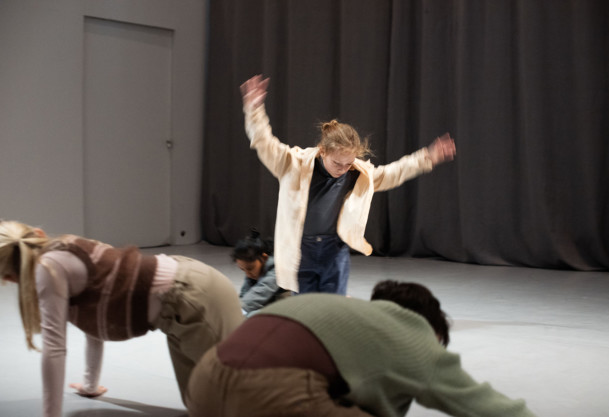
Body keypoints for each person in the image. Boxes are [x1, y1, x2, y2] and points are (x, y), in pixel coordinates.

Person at [185, 280, 538, 417]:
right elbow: (484, 405)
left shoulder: (336, 310)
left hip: (202, 384)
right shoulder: (412, 334)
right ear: (429, 329)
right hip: (268, 396)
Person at [0, 220, 244, 417]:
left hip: (193, 298)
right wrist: (90, 385)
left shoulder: (47, 270)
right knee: (203, 406)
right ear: (38, 233)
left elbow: (54, 348)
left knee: (243, 398)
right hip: (182, 303)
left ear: (10, 278)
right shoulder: (63, 246)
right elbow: (93, 317)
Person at [240, 75, 457, 295]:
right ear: (322, 151)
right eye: (337, 163)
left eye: (348, 163)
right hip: (301, 249)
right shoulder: (292, 164)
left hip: (334, 250)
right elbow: (264, 142)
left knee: (333, 309)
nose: (343, 168)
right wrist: (254, 110)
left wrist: (428, 157)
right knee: (305, 311)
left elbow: (394, 172)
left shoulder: (356, 173)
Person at [231, 228, 289, 315]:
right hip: (271, 302)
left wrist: (239, 311)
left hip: (287, 305)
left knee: (253, 318)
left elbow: (262, 290)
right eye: (243, 270)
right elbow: (246, 293)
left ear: (264, 257)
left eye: (250, 268)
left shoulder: (277, 268)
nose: (247, 274)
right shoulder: (253, 272)